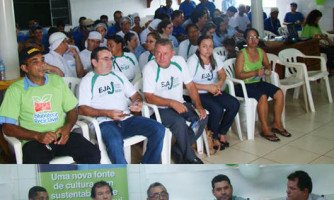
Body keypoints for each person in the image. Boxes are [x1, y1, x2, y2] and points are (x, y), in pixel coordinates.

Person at [0, 47, 100, 164]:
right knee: (36, 162)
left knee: (92, 153)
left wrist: (66, 128)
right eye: (35, 62)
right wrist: (38, 136)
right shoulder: (16, 90)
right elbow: (7, 127)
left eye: (42, 60)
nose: (42, 64)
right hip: (35, 141)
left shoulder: (56, 81)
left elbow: (72, 109)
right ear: (25, 68)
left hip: (61, 135)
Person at [78, 47, 165, 164]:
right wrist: (107, 113)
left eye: (111, 58)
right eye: (105, 59)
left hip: (127, 118)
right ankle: (125, 174)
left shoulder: (118, 75)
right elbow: (82, 109)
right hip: (104, 122)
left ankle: (147, 166)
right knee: (114, 141)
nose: (110, 62)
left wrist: (137, 103)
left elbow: (136, 95)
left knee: (158, 129)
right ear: (94, 62)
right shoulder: (87, 80)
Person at [143, 38, 208, 164]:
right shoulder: (149, 68)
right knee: (179, 122)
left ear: (172, 53)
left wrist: (199, 106)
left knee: (202, 116)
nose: (161, 57)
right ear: (154, 52)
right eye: (158, 53)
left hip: (179, 104)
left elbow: (190, 86)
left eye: (165, 53)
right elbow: (149, 97)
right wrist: (171, 103)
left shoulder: (179, 62)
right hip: (158, 110)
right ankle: (189, 156)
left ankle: (179, 149)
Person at [235, 28, 290, 142]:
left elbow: (267, 65)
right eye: (250, 37)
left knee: (279, 93)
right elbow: (238, 75)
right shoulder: (242, 54)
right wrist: (255, 72)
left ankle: (277, 124)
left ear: (258, 38)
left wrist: (267, 70)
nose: (253, 40)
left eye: (255, 37)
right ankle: (265, 129)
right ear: (246, 39)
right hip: (243, 86)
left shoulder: (261, 51)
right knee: (263, 96)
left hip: (258, 83)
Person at [187, 36, 239, 151]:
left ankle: (222, 132)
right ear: (199, 47)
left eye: (210, 46)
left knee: (234, 104)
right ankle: (213, 136)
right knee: (217, 109)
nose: (208, 49)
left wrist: (219, 85)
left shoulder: (214, 57)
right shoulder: (193, 61)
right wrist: (207, 87)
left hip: (213, 90)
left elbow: (223, 74)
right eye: (204, 46)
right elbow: (186, 84)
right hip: (198, 93)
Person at [301, 9, 334, 75]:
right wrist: (315, 38)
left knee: (332, 48)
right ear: (313, 18)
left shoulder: (316, 25)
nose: (318, 20)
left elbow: (320, 35)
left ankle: (330, 68)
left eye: (319, 19)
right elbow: (304, 38)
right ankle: (329, 69)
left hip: (318, 44)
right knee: (329, 51)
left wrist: (328, 39)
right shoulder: (307, 26)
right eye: (317, 19)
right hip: (312, 46)